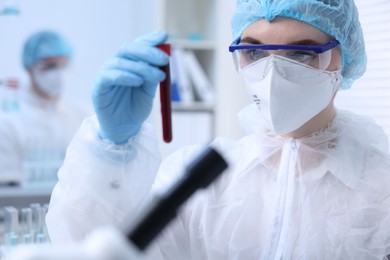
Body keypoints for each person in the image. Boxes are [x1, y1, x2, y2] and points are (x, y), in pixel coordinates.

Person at [46, 0, 390, 259]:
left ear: (341, 57)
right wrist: (110, 148)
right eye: (253, 50)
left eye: (300, 54)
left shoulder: (381, 186)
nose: (272, 74)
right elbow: (97, 249)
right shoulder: (201, 178)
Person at [0, 31, 90, 185]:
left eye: (63, 65)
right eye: (50, 66)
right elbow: (9, 187)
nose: (59, 72)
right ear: (29, 67)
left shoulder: (82, 115)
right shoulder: (8, 121)